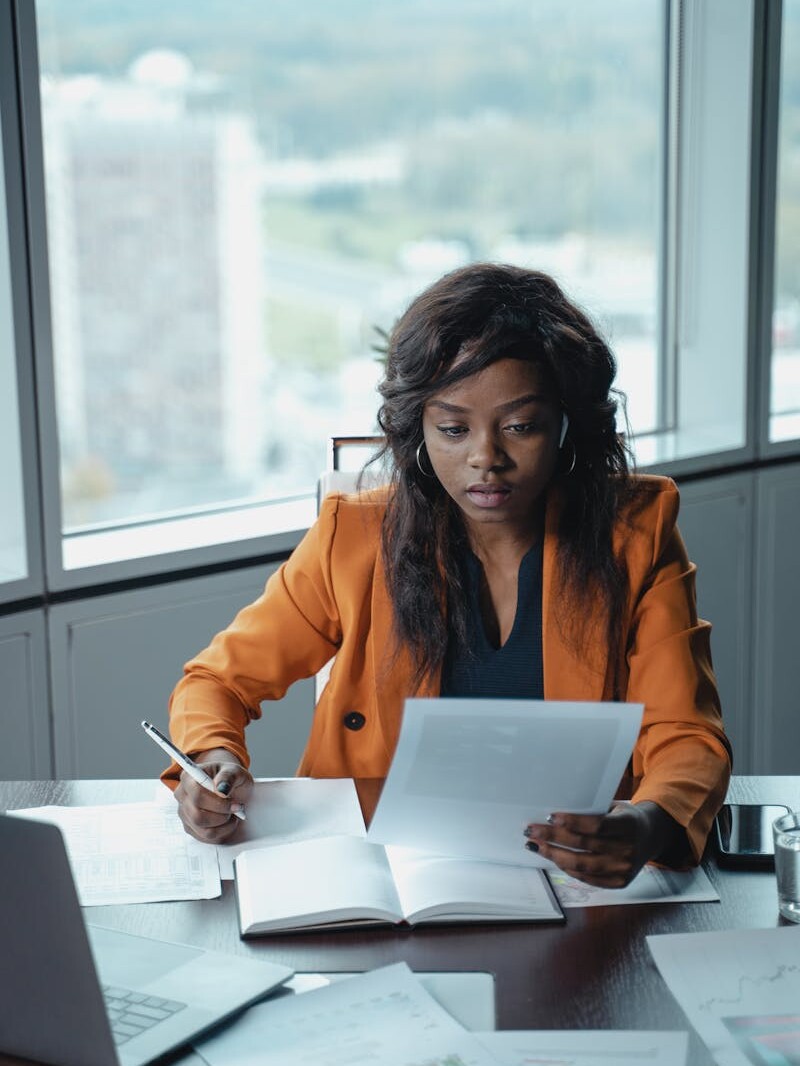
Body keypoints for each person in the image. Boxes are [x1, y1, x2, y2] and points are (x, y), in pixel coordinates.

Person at [164, 262, 731, 888]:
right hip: (374, 874)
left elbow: (685, 733)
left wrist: (648, 824)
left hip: (573, 876)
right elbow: (216, 681)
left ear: (568, 422)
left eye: (520, 426)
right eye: (454, 429)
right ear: (418, 430)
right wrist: (209, 761)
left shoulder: (635, 535)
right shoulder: (351, 538)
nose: (486, 458)